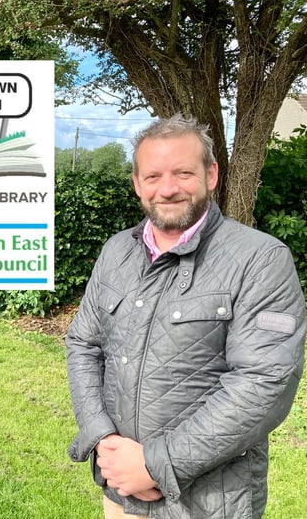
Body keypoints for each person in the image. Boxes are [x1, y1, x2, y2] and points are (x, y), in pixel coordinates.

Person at [65, 114, 305, 519]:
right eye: (153, 176)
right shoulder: (116, 252)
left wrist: (155, 465)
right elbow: (83, 344)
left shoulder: (260, 260)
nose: (168, 188)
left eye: (183, 173)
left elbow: (264, 382)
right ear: (137, 183)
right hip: (120, 492)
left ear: (211, 175)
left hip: (210, 503)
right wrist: (101, 436)